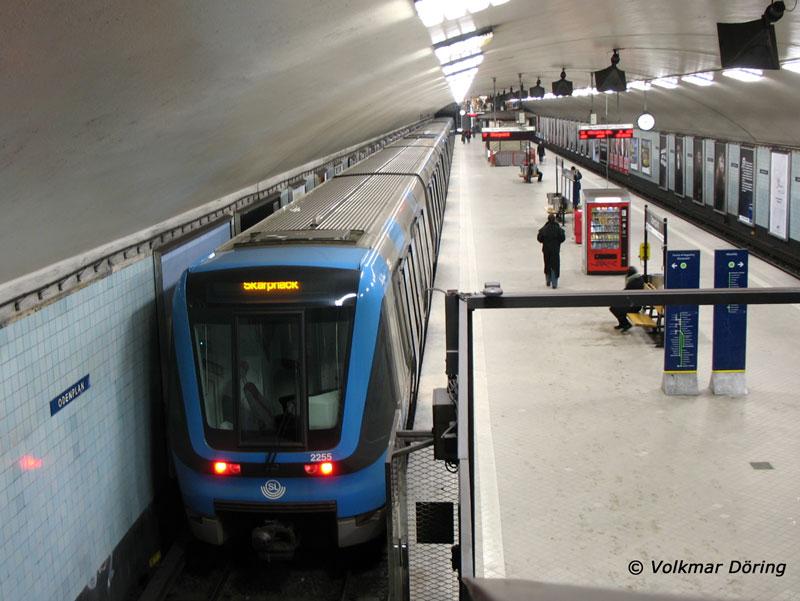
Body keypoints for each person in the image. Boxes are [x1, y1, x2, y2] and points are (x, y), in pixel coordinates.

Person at [609, 266, 645, 331]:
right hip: (632, 302)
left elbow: (626, 292)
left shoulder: (635, 282)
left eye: (627, 273)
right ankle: (622, 323)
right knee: (614, 307)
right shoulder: (636, 278)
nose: (626, 275)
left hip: (634, 305)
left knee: (615, 308)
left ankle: (626, 324)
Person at [537, 214, 565, 288]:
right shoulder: (558, 229)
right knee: (555, 265)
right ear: (554, 219)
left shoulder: (544, 229)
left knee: (547, 264)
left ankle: (548, 280)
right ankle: (554, 283)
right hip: (555, 250)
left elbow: (539, 238)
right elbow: (563, 238)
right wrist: (558, 242)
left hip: (546, 250)